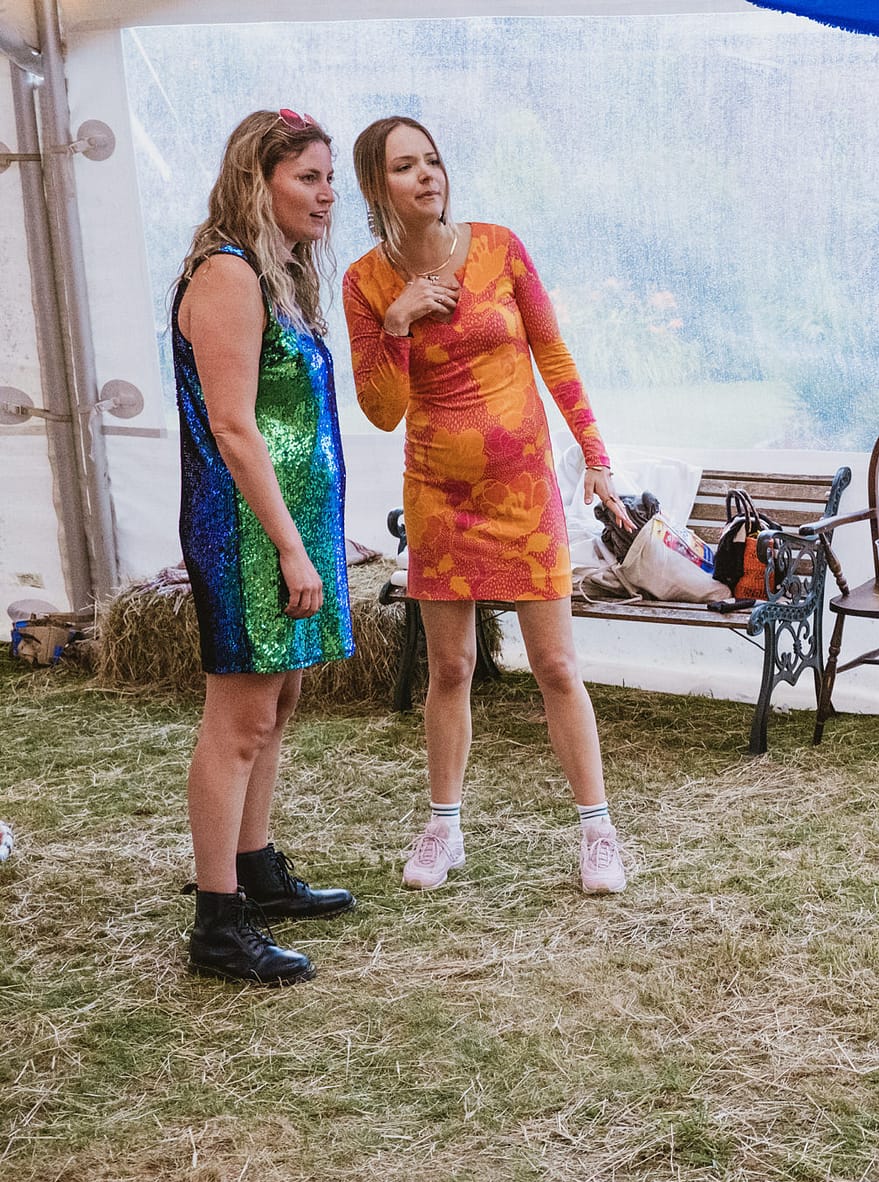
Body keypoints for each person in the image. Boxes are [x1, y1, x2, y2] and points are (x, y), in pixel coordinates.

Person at [342, 116, 633, 896]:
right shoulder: (366, 282)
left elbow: (553, 352)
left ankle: (597, 830)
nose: (427, 175)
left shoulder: (501, 246)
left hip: (524, 491)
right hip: (438, 494)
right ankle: (444, 827)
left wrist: (597, 457)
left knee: (557, 665)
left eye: (433, 160)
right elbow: (381, 409)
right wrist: (398, 321)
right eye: (405, 166)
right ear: (378, 186)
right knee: (450, 666)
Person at [174, 109, 359, 986]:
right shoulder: (226, 272)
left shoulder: (278, 274)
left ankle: (257, 867)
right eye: (308, 178)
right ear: (259, 180)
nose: (328, 195)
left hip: (289, 523)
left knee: (276, 707)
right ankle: (218, 922)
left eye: (330, 179)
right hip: (250, 531)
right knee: (239, 721)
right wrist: (288, 545)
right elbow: (234, 426)